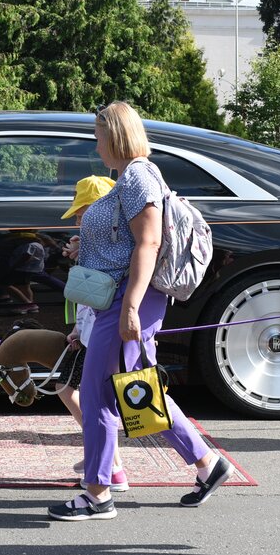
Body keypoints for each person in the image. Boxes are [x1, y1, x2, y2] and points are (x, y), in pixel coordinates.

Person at [47, 101, 230, 521]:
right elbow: (130, 241)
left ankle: (98, 494)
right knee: (133, 391)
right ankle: (207, 463)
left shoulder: (137, 177)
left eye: (99, 137)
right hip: (123, 298)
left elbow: (149, 243)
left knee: (98, 394)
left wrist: (129, 307)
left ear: (115, 135)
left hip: (126, 300)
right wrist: (87, 247)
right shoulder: (133, 176)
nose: (96, 146)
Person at [57, 174, 126, 492]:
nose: (78, 222)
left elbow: (100, 295)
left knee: (92, 398)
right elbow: (90, 297)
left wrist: (82, 251)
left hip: (101, 333)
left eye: (83, 214)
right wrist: (77, 327)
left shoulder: (108, 250)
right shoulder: (97, 246)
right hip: (89, 331)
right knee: (71, 389)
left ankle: (110, 465)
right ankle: (103, 458)